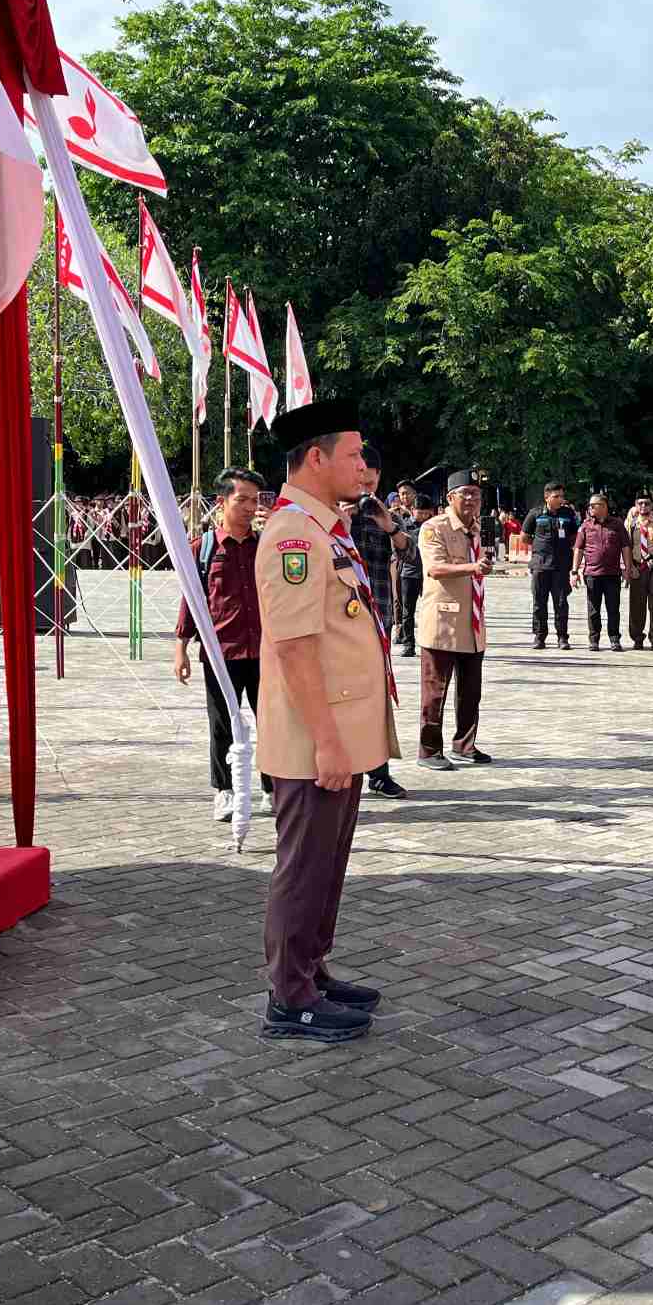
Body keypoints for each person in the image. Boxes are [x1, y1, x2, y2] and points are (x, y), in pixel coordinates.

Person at [254, 400, 387, 1044]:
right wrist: (329, 743)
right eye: (355, 454)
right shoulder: (295, 535)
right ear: (316, 457)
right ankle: (288, 997)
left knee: (326, 864)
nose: (364, 468)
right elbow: (296, 646)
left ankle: (311, 969)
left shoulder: (325, 526)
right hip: (314, 742)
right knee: (304, 865)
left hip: (334, 740)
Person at [175, 467, 271, 824]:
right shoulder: (203, 549)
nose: (249, 507)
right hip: (221, 653)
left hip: (265, 651)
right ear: (222, 501)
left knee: (272, 722)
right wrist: (180, 648)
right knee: (222, 725)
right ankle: (225, 791)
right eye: (241, 499)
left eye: (255, 500)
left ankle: (272, 788)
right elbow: (191, 600)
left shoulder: (267, 547)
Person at [415, 469, 495, 770]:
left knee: (470, 692)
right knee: (435, 690)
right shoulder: (434, 528)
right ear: (450, 498)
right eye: (466, 493)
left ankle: (465, 745)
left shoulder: (480, 528)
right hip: (443, 623)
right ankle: (429, 750)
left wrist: (483, 565)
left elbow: (483, 563)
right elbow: (435, 568)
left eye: (477, 494)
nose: (473, 499)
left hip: (473, 621)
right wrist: (474, 567)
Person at [345, 453, 412, 800]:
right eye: (360, 481)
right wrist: (347, 516)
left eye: (371, 483)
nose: (365, 489)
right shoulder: (332, 513)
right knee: (346, 696)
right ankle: (348, 766)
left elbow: (410, 555)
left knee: (375, 697)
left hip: (379, 617)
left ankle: (379, 772)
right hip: (343, 620)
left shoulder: (388, 516)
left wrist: (390, 526)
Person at [521, 482, 580, 650]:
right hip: (540, 565)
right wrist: (540, 545)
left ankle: (562, 637)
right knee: (539, 602)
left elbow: (575, 535)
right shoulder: (536, 513)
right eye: (556, 496)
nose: (560, 499)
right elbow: (524, 536)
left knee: (561, 603)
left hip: (561, 566)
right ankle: (539, 636)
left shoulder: (568, 514)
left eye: (562, 496)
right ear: (547, 497)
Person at [575, 493, 631, 652]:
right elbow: (578, 549)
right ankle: (594, 640)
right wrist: (574, 571)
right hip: (592, 573)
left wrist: (627, 568)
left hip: (612, 574)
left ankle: (614, 639)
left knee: (613, 608)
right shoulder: (585, 525)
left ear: (604, 506)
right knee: (593, 609)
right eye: (590, 505)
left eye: (594, 505)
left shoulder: (618, 524)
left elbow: (625, 547)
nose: (590, 508)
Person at [624, 495, 653, 651]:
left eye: (646, 503)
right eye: (640, 503)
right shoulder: (631, 523)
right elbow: (626, 547)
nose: (643, 506)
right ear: (636, 505)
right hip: (637, 568)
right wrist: (629, 567)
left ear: (652, 505)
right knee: (637, 605)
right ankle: (637, 637)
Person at [395, 494, 435, 657]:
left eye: (427, 513)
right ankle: (408, 643)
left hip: (430, 574)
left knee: (431, 610)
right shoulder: (404, 526)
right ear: (412, 510)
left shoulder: (434, 527)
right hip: (409, 574)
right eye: (420, 512)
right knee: (407, 611)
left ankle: (431, 644)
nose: (424, 516)